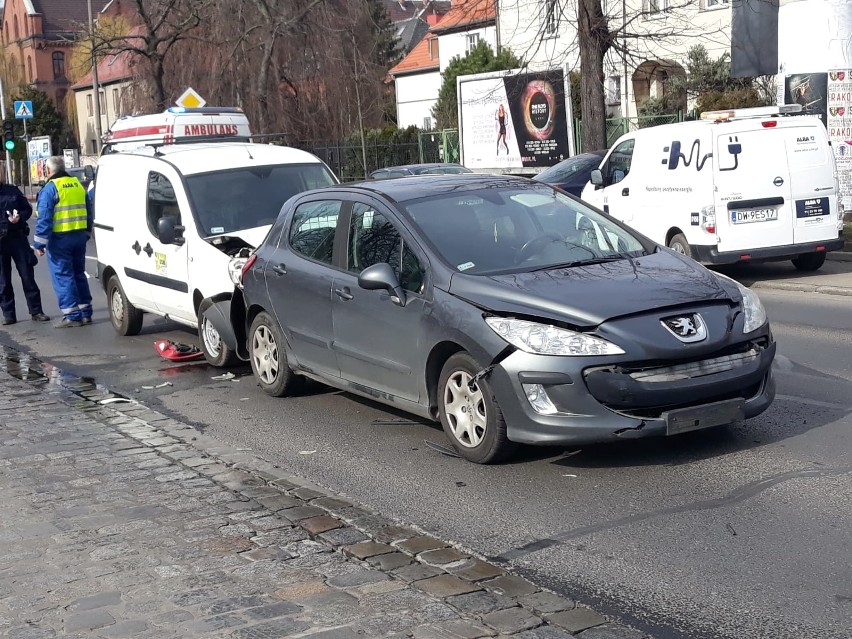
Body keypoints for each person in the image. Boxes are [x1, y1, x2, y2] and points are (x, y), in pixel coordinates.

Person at [33, 156, 93, 328]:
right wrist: (87, 233)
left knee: (63, 276)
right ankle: (86, 312)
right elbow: (89, 211)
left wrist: (39, 244)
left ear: (48, 171)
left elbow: (44, 218)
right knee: (79, 273)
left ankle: (72, 315)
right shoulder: (77, 185)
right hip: (79, 237)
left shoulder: (51, 188)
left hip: (60, 239)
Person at [0, 175, 50, 325]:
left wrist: (19, 217)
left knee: (28, 276)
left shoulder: (12, 190)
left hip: (17, 239)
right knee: (3, 281)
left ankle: (36, 311)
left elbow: (27, 209)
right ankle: (9, 314)